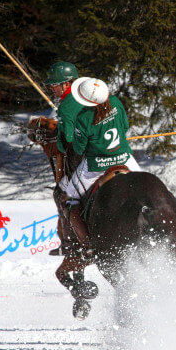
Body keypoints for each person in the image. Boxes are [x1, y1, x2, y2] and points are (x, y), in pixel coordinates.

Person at [57, 77, 142, 262]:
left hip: (96, 166)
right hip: (125, 158)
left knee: (69, 198)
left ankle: (88, 245)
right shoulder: (117, 102)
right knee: (146, 185)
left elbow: (79, 149)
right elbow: (125, 127)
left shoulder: (83, 117)